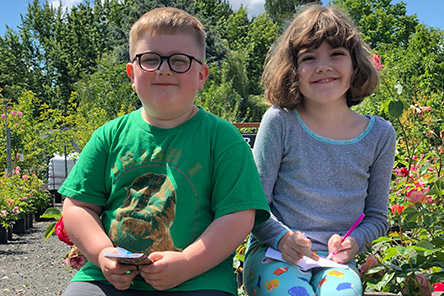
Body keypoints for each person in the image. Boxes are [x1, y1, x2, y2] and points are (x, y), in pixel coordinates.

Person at [59, 7, 270, 296]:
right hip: (106, 279)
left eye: (180, 60)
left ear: (201, 75)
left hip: (198, 280)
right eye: (150, 59)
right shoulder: (109, 136)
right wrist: (102, 254)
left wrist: (187, 262)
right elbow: (78, 207)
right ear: (132, 74)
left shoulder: (222, 138)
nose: (164, 69)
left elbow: (238, 216)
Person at [242, 4, 396, 296]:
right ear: (293, 70)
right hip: (273, 255)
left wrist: (355, 243)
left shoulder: (380, 135)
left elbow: (377, 216)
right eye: (309, 58)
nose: (323, 66)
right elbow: (255, 205)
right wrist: (283, 238)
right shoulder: (280, 121)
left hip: (334, 264)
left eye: (336, 54)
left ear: (354, 64)